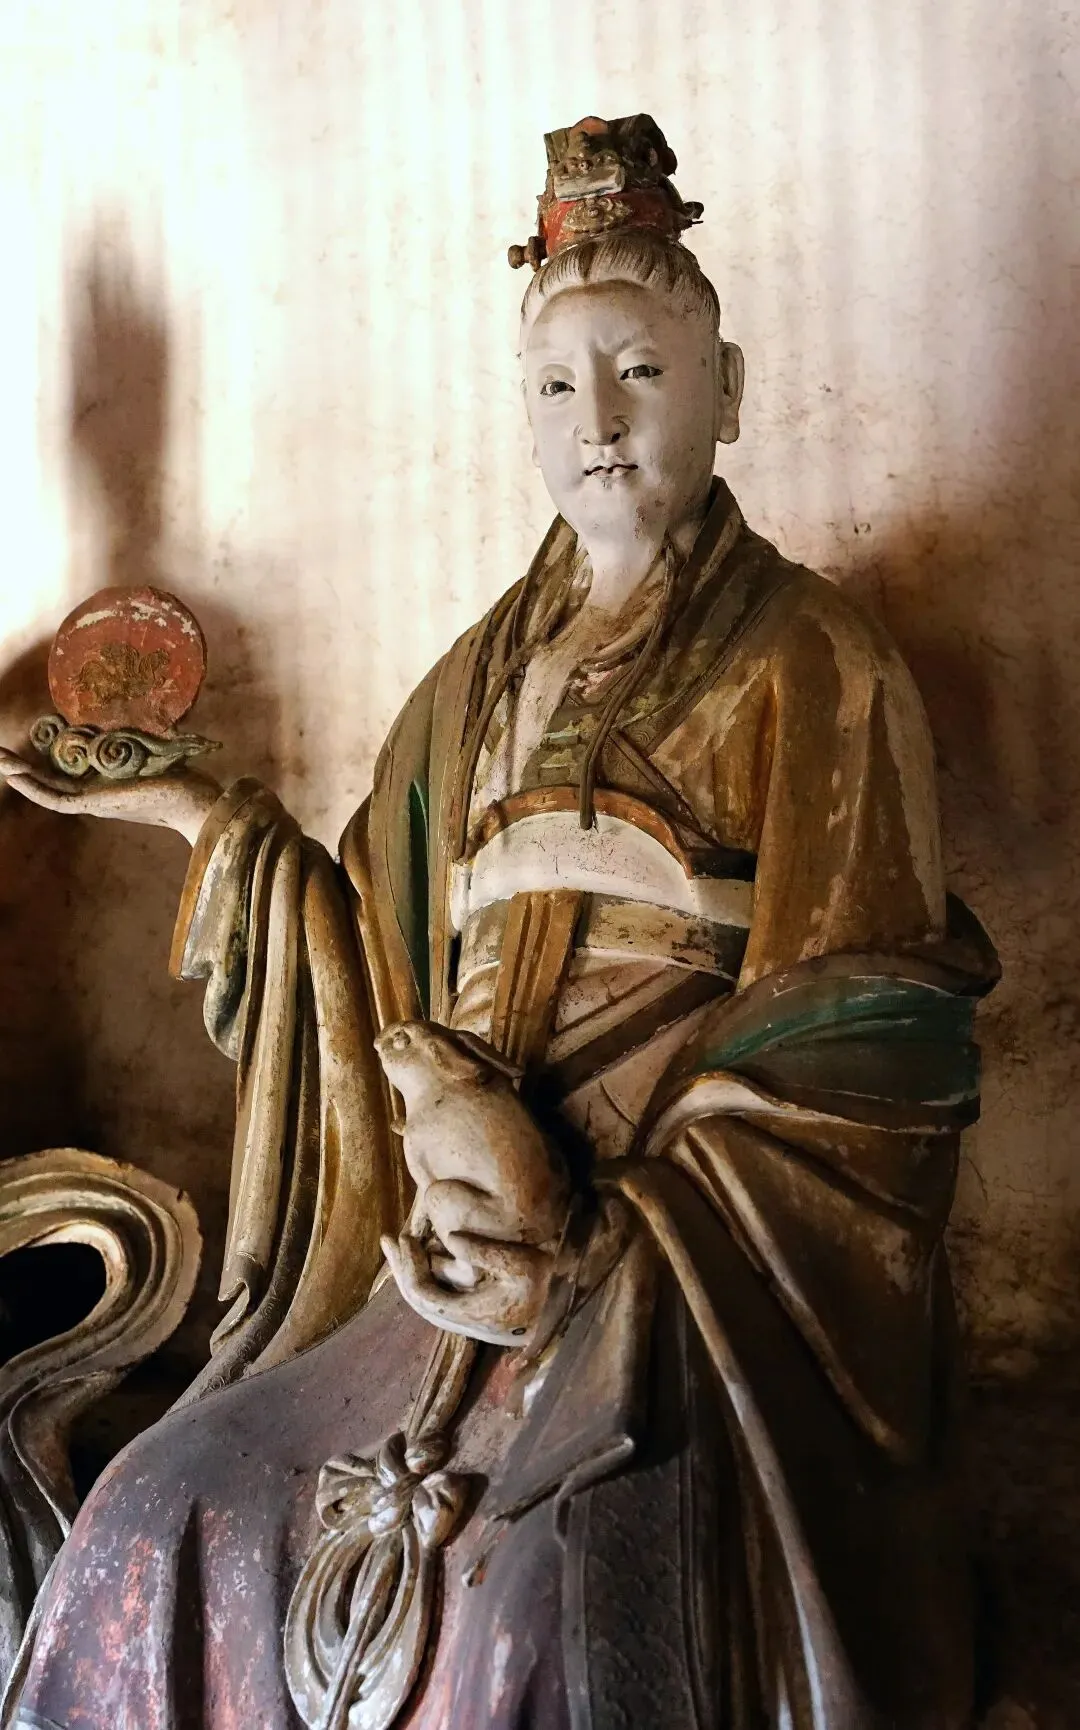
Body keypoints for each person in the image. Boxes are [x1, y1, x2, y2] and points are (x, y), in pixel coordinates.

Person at [0, 115, 997, 1730]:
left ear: (729, 391)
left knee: (546, 1613)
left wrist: (599, 1238)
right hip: (433, 1273)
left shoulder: (815, 663)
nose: (596, 422)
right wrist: (208, 819)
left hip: (671, 1294)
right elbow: (366, 959)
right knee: (158, 1509)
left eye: (643, 373)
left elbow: (865, 1045)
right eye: (554, 385)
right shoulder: (466, 690)